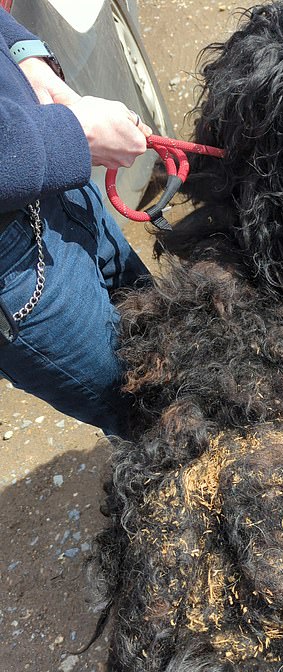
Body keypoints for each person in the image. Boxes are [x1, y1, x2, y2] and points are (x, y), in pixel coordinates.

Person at [0, 7, 152, 437]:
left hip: (53, 181)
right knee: (153, 413)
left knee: (167, 336)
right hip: (14, 275)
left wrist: (23, 55)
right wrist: (76, 134)